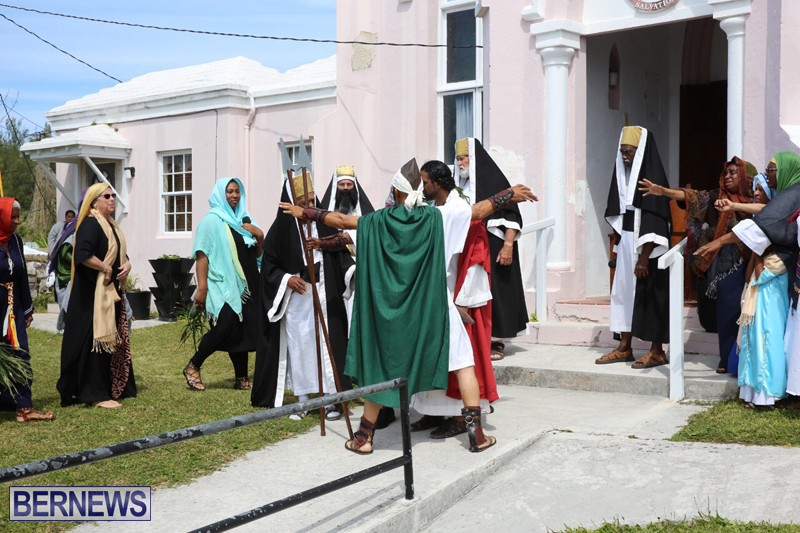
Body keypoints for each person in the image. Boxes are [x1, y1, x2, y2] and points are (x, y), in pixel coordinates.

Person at [280, 158, 537, 454]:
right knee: (463, 363)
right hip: (434, 307)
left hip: (394, 312)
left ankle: (364, 438)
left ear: (397, 192)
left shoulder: (379, 220)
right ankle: (476, 435)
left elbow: (340, 221)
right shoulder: (438, 217)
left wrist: (305, 212)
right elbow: (480, 211)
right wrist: (509, 194)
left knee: (383, 369)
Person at [697, 152, 800, 408]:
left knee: (768, 332)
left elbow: (764, 223)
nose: (767, 175)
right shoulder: (787, 196)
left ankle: (769, 393)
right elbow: (766, 213)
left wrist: (719, 241)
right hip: (770, 272)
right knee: (760, 331)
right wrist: (735, 208)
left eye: (771, 170)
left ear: (786, 170)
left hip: (775, 274)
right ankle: (757, 392)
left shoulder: (792, 194)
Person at [251, 172, 355, 422]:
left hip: (324, 296)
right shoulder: (279, 231)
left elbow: (343, 256)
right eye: (303, 203)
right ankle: (303, 401)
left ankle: (330, 400)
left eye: (312, 201)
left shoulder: (325, 223)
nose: (309, 207)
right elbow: (269, 267)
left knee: (326, 347)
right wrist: (287, 279)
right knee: (300, 347)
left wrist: (354, 272)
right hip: (297, 300)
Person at [637, 156, 755, 373]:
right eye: (726, 173)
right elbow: (690, 196)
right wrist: (663, 191)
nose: (727, 177)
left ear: (746, 177)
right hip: (724, 264)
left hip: (753, 262)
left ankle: (749, 361)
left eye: (733, 173)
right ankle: (726, 360)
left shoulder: (758, 199)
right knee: (728, 310)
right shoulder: (716, 197)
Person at [408, 160, 498, 439]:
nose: (422, 187)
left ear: (438, 183)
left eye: (425, 182)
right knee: (434, 357)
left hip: (454, 297)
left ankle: (463, 420)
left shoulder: (459, 212)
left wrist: (462, 301)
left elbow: (474, 258)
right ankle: (436, 413)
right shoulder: (434, 209)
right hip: (431, 297)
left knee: (459, 362)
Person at [596, 126, 671, 369]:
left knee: (651, 296)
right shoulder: (625, 177)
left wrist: (644, 257)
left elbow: (655, 218)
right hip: (627, 243)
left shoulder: (652, 180)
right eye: (622, 152)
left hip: (648, 248)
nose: (624, 156)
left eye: (628, 152)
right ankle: (624, 347)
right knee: (624, 294)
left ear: (641, 152)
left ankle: (657, 351)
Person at [57, 184, 136, 409]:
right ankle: (96, 395)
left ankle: (111, 387)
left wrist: (127, 264)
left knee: (108, 340)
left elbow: (120, 253)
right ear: (94, 201)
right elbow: (83, 255)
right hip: (91, 296)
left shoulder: (111, 225)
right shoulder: (90, 224)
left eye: (113, 196)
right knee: (94, 342)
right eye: (107, 196)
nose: (112, 199)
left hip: (110, 293)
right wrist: (106, 268)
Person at [182, 178, 263, 392]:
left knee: (242, 328)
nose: (234, 195)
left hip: (247, 284)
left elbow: (257, 256)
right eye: (229, 191)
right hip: (222, 284)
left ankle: (241, 378)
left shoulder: (244, 219)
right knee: (225, 327)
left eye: (237, 191)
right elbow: (202, 255)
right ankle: (193, 365)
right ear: (220, 194)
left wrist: (260, 235)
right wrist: (202, 289)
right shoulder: (211, 221)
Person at [455, 138, 527, 360]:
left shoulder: (496, 182)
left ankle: (497, 340)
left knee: (497, 292)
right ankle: (475, 338)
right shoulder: (460, 186)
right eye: (457, 159)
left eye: (463, 158)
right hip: (470, 247)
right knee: (471, 293)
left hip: (495, 246)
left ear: (474, 158)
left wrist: (508, 246)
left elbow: (512, 216)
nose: (459, 164)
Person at [0, 198, 54, 422]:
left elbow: (21, 277)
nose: (17, 221)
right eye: (12, 217)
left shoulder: (16, 240)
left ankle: (24, 407)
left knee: (20, 352)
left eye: (17, 217)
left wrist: (27, 310)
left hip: (13, 306)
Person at [49, 197, 84, 335]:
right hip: (66, 274)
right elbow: (64, 252)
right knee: (66, 301)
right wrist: (83, 260)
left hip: (76, 273)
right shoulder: (70, 230)